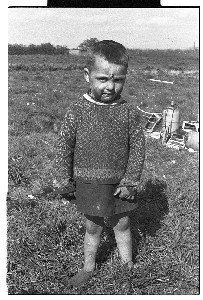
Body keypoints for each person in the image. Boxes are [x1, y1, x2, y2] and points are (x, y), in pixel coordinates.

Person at [53, 40, 145, 288]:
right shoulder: (77, 111)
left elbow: (137, 147)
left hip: (120, 184)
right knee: (92, 226)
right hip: (88, 181)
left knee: (123, 224)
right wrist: (64, 180)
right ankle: (88, 268)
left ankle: (128, 268)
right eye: (103, 79)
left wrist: (131, 181)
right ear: (87, 76)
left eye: (118, 80)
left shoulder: (129, 112)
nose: (110, 87)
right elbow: (64, 146)